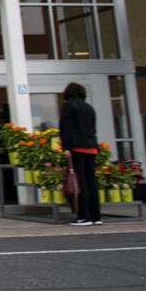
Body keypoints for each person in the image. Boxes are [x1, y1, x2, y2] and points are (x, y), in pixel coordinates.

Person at [59, 82, 101, 227]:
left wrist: (66, 148)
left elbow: (66, 128)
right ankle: (96, 216)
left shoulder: (69, 106)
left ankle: (83, 216)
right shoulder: (89, 107)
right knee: (91, 182)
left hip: (77, 147)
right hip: (92, 147)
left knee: (80, 182)